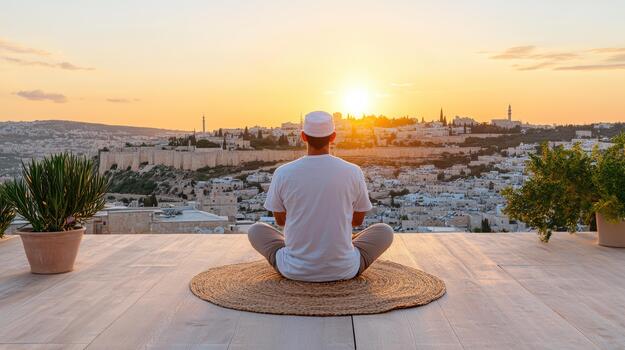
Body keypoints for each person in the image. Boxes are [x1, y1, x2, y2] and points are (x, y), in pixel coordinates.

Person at [248, 111, 394, 282]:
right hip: (344, 270)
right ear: (333, 137)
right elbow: (357, 221)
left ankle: (303, 250)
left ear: (303, 136)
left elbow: (281, 221)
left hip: (294, 270)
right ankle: (336, 244)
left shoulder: (283, 173)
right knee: (385, 231)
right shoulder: (353, 171)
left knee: (255, 230)